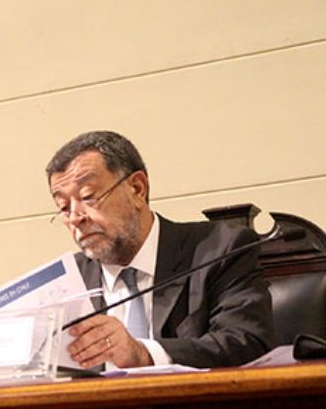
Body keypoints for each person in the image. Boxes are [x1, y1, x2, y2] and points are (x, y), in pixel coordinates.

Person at [46, 130, 274, 369]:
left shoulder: (220, 249)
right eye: (63, 207)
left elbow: (248, 344)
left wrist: (144, 354)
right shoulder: (67, 283)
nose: (75, 218)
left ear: (137, 189)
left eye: (88, 196)